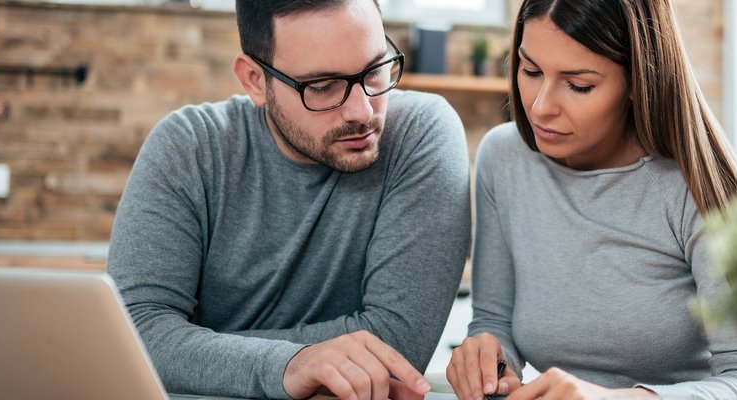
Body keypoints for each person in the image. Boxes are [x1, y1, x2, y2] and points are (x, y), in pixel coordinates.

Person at [106, 1, 472, 399]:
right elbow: (133, 334)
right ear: (254, 81)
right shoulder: (190, 148)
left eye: (375, 69)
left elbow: (396, 345)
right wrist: (288, 364)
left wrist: (198, 351)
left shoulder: (420, 135)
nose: (362, 110)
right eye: (321, 87)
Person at [446, 0, 737, 399]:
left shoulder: (697, 186)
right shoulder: (504, 159)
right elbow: (494, 323)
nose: (540, 107)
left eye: (579, 85)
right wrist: (489, 364)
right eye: (530, 71)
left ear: (637, 82)